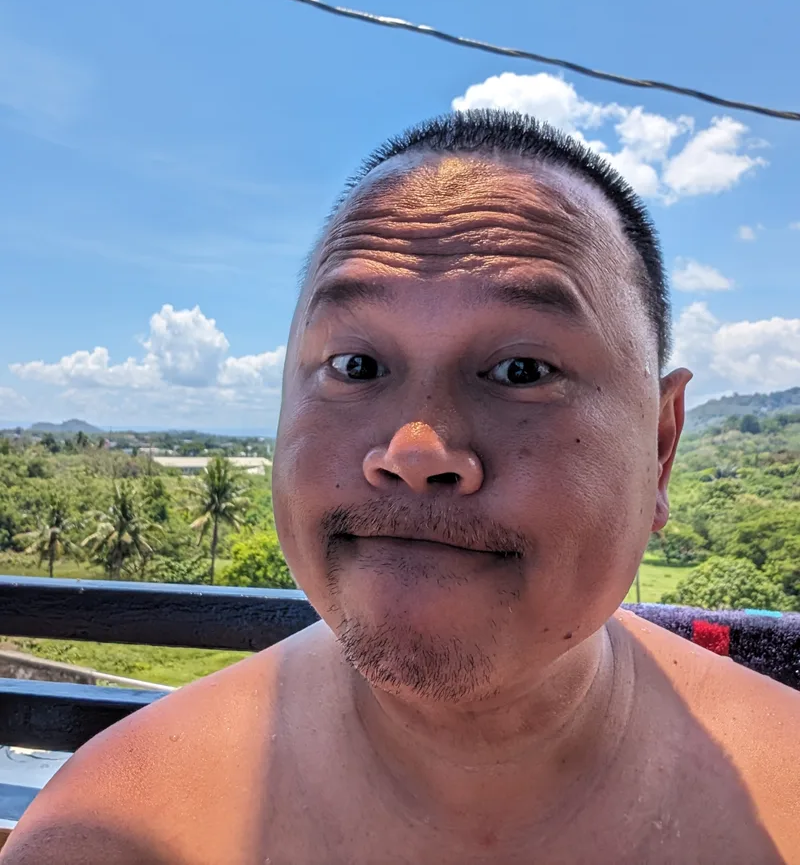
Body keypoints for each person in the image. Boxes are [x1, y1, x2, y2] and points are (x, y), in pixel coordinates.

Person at [4, 110, 799, 865]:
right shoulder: (115, 834)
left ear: (660, 446)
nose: (415, 449)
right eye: (356, 366)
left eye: (522, 370)